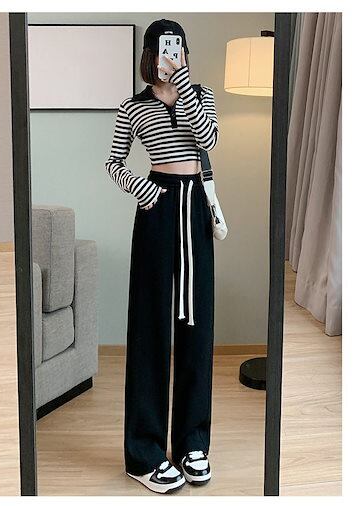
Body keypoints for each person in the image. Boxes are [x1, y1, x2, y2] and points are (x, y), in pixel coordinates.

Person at [105, 18, 219, 494]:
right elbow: (114, 161)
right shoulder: (132, 106)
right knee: (150, 324)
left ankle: (192, 442)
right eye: (163, 48)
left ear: (185, 52)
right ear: (150, 54)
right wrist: (142, 189)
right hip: (156, 207)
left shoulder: (202, 95)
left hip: (195, 207)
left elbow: (207, 141)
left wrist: (183, 85)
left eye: (178, 48)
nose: (171, 55)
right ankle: (144, 453)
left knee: (197, 325)